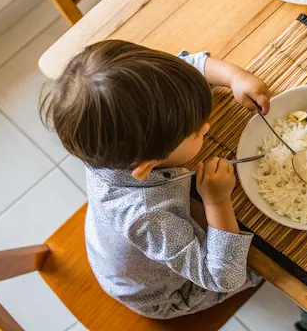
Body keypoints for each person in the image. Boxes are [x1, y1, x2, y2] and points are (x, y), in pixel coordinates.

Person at [40, 40, 270, 319]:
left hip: (113, 248)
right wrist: (218, 200)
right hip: (161, 294)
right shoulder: (150, 217)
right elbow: (222, 276)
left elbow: (185, 68)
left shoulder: (102, 134)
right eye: (196, 131)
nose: (207, 126)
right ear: (148, 166)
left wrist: (235, 77)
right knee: (268, 263)